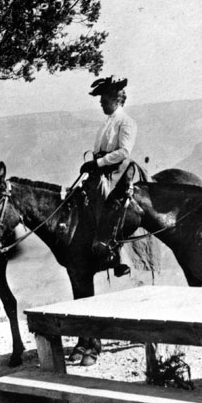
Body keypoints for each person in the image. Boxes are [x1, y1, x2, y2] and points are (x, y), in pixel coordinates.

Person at [79, 75, 137, 276]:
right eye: (101, 100)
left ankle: (114, 255)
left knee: (106, 203)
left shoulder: (126, 122)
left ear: (117, 100)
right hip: (101, 170)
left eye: (104, 100)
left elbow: (124, 152)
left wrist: (98, 163)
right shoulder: (107, 123)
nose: (101, 103)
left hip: (117, 172)